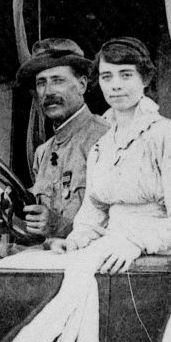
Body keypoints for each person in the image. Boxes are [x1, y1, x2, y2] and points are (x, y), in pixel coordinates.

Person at [51, 37, 171, 272]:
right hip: (110, 252)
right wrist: (74, 241)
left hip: (153, 260)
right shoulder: (101, 148)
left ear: (144, 79)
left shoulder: (168, 137)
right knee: (21, 266)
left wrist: (135, 242)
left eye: (126, 75)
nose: (115, 85)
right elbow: (93, 213)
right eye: (107, 77)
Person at [16, 38, 109, 241]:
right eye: (42, 83)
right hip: (45, 254)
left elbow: (118, 221)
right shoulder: (43, 153)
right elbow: (38, 227)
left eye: (58, 80)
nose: (49, 92)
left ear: (82, 85)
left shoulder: (105, 140)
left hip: (85, 258)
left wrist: (60, 226)